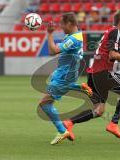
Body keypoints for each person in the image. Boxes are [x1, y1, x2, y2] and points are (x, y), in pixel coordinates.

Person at [62, 10, 120, 140]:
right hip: (103, 73)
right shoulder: (116, 32)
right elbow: (113, 55)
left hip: (94, 74)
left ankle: (69, 122)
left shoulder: (111, 32)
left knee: (99, 110)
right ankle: (113, 124)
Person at [38, 13, 92, 145]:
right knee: (49, 99)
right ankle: (80, 87)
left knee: (44, 104)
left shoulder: (73, 39)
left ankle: (62, 131)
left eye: (62, 24)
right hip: (65, 74)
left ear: (69, 23)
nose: (61, 27)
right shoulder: (75, 35)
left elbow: (53, 51)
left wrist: (49, 34)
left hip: (64, 76)